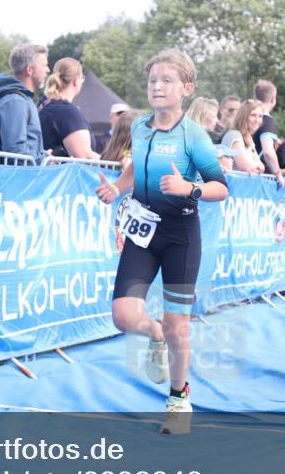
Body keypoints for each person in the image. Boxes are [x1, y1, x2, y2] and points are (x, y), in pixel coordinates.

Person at [95, 49, 229, 434]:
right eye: (153, 80)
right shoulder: (139, 127)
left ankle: (178, 401)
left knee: (177, 325)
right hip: (143, 234)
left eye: (167, 80)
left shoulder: (194, 136)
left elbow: (221, 187)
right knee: (123, 317)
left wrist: (190, 188)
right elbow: (135, 165)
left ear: (186, 88)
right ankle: (153, 334)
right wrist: (118, 188)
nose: (157, 86)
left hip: (179, 237)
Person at [0, 43, 49, 163]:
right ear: (30, 70)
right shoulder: (15, 102)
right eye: (44, 65)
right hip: (18, 175)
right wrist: (43, 162)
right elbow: (16, 154)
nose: (48, 70)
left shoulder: (19, 100)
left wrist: (44, 156)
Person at [38, 57, 99, 159]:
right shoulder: (67, 112)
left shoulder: (42, 105)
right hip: (62, 170)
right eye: (82, 78)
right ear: (76, 80)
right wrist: (117, 164)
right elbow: (84, 156)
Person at [251, 80, 285, 185]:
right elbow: (268, 152)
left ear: (254, 97)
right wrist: (278, 173)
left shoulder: (248, 118)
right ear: (273, 99)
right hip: (259, 179)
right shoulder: (268, 122)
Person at [220, 99, 267, 174]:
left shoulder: (249, 138)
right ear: (244, 116)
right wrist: (256, 165)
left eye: (260, 116)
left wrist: (256, 166)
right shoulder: (235, 135)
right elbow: (246, 166)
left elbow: (262, 167)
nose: (257, 120)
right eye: (253, 115)